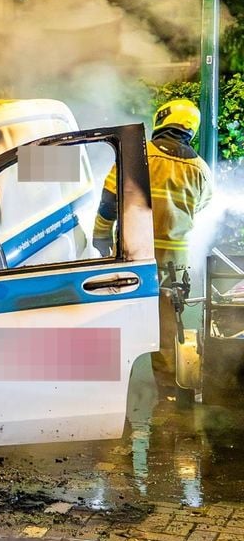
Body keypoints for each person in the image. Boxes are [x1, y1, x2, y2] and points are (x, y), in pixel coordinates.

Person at [92, 98, 214, 382]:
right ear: (190, 128)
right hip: (175, 263)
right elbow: (201, 206)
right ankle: (169, 389)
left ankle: (119, 384)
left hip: (134, 255)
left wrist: (100, 237)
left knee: (123, 318)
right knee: (167, 326)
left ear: (162, 119)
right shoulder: (200, 169)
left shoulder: (139, 155)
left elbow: (109, 202)